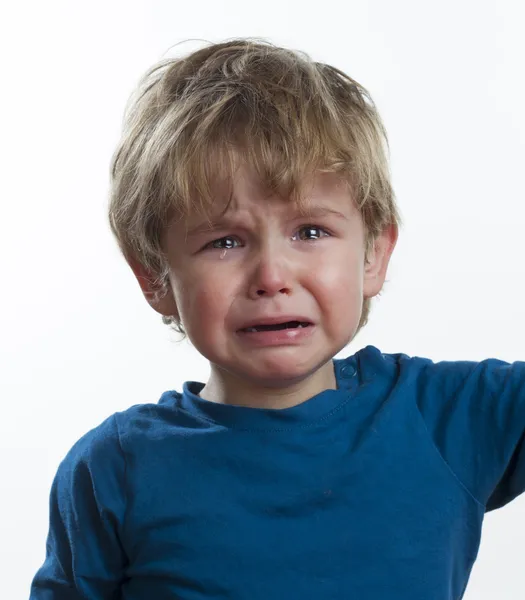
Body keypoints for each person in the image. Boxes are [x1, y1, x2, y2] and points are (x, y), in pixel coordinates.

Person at [29, 37, 525, 599]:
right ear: (155, 277)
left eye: (310, 232)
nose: (271, 275)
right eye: (224, 241)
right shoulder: (113, 471)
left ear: (373, 256)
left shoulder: (449, 418)